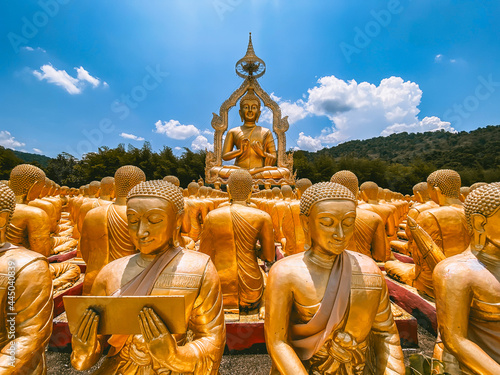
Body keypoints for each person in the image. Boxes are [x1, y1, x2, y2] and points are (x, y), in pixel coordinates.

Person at [70, 180, 225, 374]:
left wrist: (174, 356)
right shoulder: (110, 272)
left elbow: (213, 341)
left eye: (154, 220)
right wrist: (84, 351)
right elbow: (89, 355)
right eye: (133, 221)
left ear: (177, 221)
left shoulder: (199, 268)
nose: (141, 232)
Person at [265, 182, 405, 374]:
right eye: (327, 223)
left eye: (348, 224)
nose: (340, 234)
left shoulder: (369, 270)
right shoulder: (285, 273)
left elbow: (386, 334)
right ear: (306, 223)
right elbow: (278, 342)